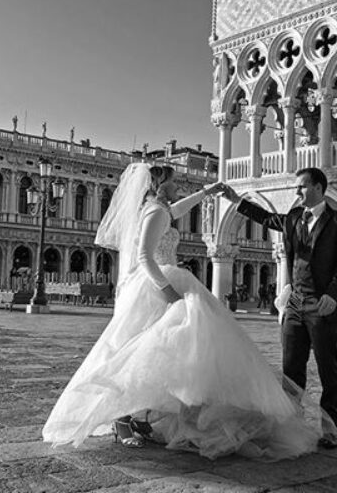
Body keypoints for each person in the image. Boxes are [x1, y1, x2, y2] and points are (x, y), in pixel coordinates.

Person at [43, 164, 321, 460]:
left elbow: (174, 211)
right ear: (160, 185)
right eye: (174, 183)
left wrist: (207, 192)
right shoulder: (155, 211)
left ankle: (138, 417)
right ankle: (122, 420)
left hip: (161, 280)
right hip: (156, 286)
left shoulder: (159, 208)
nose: (178, 188)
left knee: (159, 356)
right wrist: (169, 293)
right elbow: (144, 257)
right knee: (140, 356)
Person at [222, 167, 337, 449]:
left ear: (319, 188)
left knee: (326, 366)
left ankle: (330, 426)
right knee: (291, 365)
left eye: (302, 187)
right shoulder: (294, 217)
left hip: (322, 302)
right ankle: (292, 424)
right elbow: (268, 218)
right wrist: (237, 201)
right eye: (296, 187)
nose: (297, 192)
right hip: (296, 300)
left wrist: (333, 294)